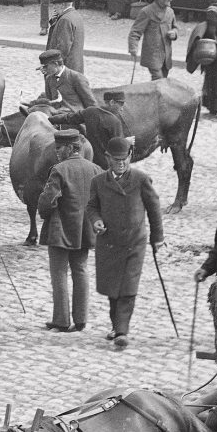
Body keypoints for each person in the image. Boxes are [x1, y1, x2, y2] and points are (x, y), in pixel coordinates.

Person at [87, 136, 164, 349]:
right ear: (108, 158)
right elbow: (91, 207)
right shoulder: (98, 182)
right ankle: (116, 325)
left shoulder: (141, 179)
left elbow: (154, 208)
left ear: (130, 156)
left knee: (128, 288)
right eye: (116, 159)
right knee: (113, 289)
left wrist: (157, 238)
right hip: (109, 243)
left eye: (125, 159)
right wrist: (96, 221)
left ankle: (122, 331)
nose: (121, 163)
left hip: (134, 242)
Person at [36, 127, 104, 333]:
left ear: (69, 148)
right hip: (85, 230)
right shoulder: (95, 169)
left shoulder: (59, 170)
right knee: (81, 270)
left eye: (59, 148)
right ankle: (81, 319)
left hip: (60, 230)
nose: (57, 152)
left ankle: (61, 320)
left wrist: (44, 213)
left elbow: (48, 201)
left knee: (59, 273)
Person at [129, 0, 178, 79]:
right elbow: (135, 32)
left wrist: (174, 33)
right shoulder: (147, 11)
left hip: (166, 54)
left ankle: (153, 93)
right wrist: (133, 48)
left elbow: (175, 27)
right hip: (152, 54)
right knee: (158, 78)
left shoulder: (170, 12)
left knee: (163, 79)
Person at [46, 0, 86, 73]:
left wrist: (51, 66)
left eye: (55, 4)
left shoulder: (65, 20)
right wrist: (55, 22)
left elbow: (62, 48)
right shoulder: (76, 15)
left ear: (62, 5)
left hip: (66, 70)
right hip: (76, 68)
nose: (54, 7)